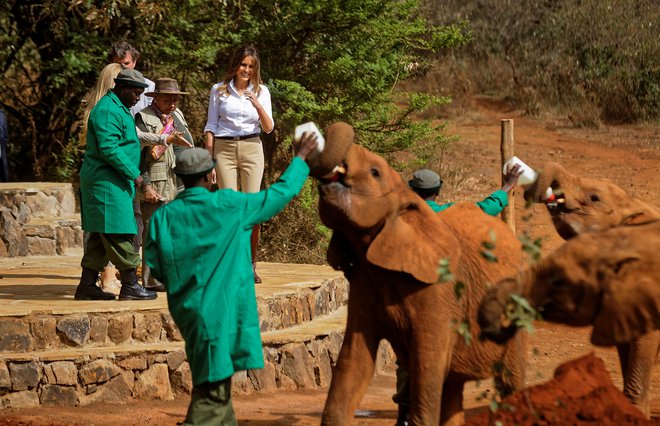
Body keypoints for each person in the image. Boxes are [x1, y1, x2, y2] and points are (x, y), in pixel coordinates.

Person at [144, 133, 318, 425]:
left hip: (188, 312)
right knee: (211, 392)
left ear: (180, 179)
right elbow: (278, 195)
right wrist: (300, 160)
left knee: (215, 383)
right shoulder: (230, 205)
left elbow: (154, 267)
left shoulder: (164, 217)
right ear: (211, 175)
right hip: (221, 314)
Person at [393, 164, 523, 426]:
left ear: (413, 190)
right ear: (438, 191)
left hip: (410, 294)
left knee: (408, 353)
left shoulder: (402, 217)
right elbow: (482, 210)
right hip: (449, 295)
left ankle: (406, 412)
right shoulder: (451, 215)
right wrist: (507, 188)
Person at [74, 68, 157, 302]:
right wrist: (138, 177)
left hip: (114, 182)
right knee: (118, 232)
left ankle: (87, 285)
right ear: (121, 88)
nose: (138, 97)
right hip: (105, 183)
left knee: (102, 236)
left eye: (141, 93)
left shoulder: (120, 108)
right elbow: (110, 149)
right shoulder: (108, 110)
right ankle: (130, 284)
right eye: (135, 92)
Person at [203, 45, 274, 283]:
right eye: (243, 65)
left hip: (252, 148)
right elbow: (211, 125)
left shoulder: (262, 91)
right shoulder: (219, 90)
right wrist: (209, 160)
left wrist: (257, 103)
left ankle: (250, 265)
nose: (246, 70)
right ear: (236, 65)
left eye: (251, 66)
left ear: (256, 69)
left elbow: (268, 127)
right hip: (224, 149)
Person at [135, 78, 194, 292]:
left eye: (175, 99)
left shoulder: (176, 116)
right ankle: (152, 281)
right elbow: (138, 157)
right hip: (157, 182)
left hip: (180, 183)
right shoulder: (144, 118)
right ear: (156, 97)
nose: (172, 103)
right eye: (167, 99)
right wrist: (146, 185)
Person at [0, 108, 8, 182]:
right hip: (1, 141)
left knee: (2, 162)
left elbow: (4, 130)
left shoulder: (2, 115)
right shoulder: (2, 115)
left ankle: (4, 180)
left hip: (1, 141)